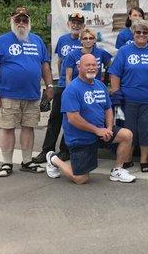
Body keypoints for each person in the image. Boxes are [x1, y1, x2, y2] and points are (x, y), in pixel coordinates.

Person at [45, 54, 136, 184]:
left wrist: (109, 129)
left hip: (100, 132)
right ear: (79, 67)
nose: (92, 68)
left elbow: (108, 109)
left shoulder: (100, 85)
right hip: (80, 138)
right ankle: (54, 159)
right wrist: (97, 131)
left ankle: (117, 170)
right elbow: (73, 118)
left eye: (94, 65)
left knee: (127, 135)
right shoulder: (72, 89)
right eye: (87, 65)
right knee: (81, 179)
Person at [0, 6, 53, 177]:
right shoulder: (0, 41)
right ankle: (7, 163)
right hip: (8, 94)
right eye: (18, 19)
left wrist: (49, 86)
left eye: (25, 19)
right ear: (12, 20)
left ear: (29, 22)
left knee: (28, 127)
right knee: (7, 128)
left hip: (32, 94)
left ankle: (27, 161)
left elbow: (45, 66)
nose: (21, 23)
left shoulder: (37, 41)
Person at [109, 19, 148, 172]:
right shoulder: (124, 51)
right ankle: (127, 159)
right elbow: (114, 73)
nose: (141, 35)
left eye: (145, 32)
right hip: (128, 100)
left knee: (147, 130)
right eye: (138, 32)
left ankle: (144, 160)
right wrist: (116, 92)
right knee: (129, 130)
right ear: (133, 33)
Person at [32, 12, 84, 164]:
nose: (76, 25)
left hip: (79, 87)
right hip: (62, 86)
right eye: (73, 22)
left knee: (71, 119)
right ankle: (46, 150)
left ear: (83, 25)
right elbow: (60, 62)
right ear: (69, 24)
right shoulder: (63, 40)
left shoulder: (86, 41)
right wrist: (61, 78)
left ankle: (65, 150)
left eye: (79, 23)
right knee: (55, 118)